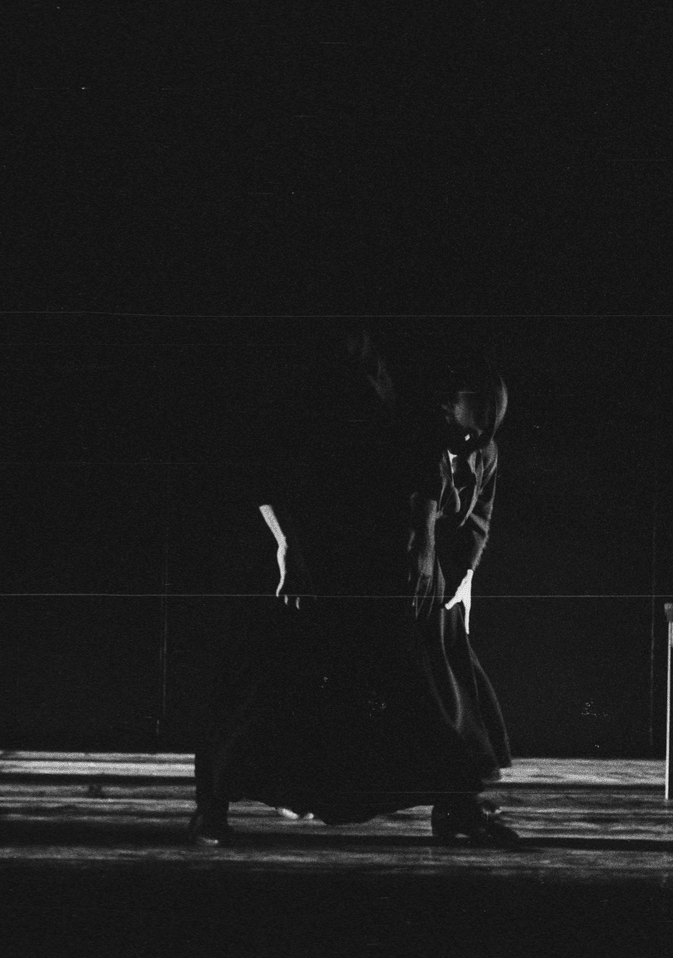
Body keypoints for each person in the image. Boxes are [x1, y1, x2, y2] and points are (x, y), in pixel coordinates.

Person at [190, 329, 516, 845]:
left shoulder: (425, 424)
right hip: (298, 552)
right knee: (264, 685)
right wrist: (289, 546)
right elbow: (264, 468)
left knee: (439, 692)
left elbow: (459, 510)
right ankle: (212, 803)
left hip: (372, 566)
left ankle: (458, 805)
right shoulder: (313, 400)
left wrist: (460, 574)